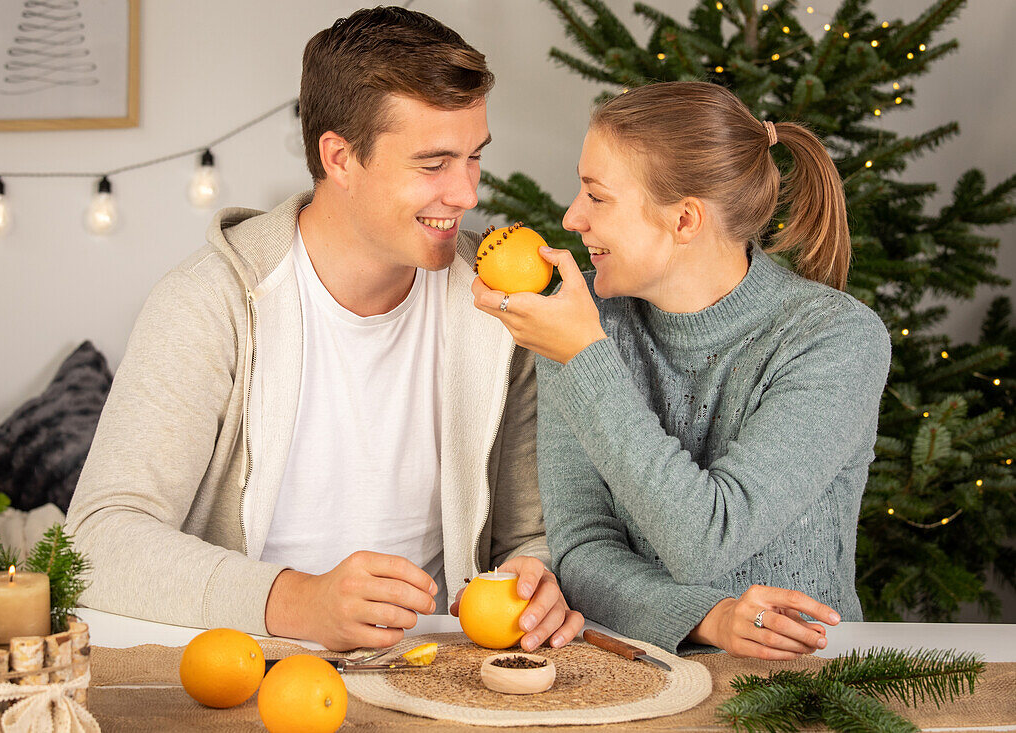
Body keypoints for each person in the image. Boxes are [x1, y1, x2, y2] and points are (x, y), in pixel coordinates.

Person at [67, 7, 583, 653]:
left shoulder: (497, 305)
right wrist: (294, 599)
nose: (467, 193)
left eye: (474, 157)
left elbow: (527, 534)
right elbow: (99, 538)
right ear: (338, 157)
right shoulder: (207, 303)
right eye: (433, 163)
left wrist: (534, 577)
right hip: (248, 659)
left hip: (437, 665)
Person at [472, 81, 890, 659]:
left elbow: (706, 539)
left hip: (813, 682)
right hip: (639, 670)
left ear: (686, 219)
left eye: (597, 196)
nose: (572, 218)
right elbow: (582, 549)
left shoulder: (836, 338)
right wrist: (708, 618)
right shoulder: (583, 322)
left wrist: (585, 359)